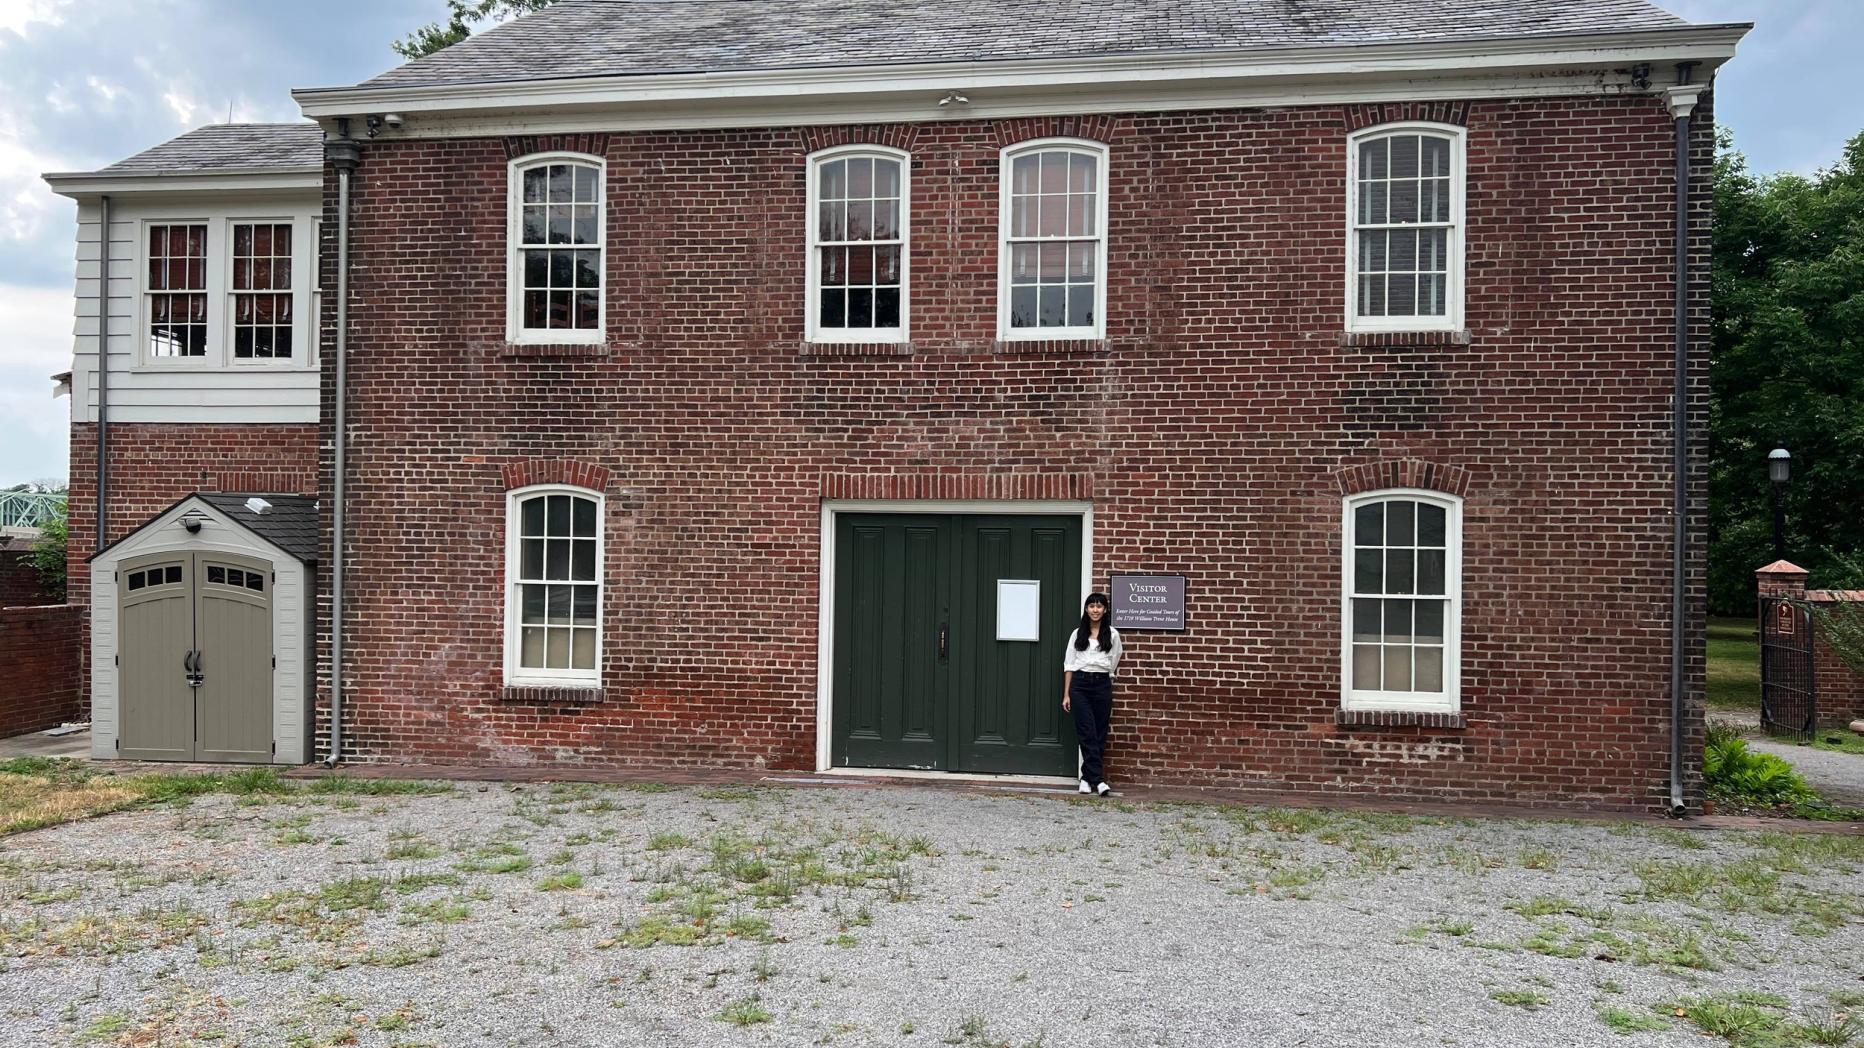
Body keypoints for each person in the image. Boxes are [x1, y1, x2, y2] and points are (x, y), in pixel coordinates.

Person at [1061, 591, 1122, 796]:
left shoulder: (1112, 634)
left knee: (1099, 733)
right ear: (1086, 609)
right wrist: (1066, 694)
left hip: (1102, 684)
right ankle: (1099, 780)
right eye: (1091, 606)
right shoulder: (1077, 634)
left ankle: (1087, 778)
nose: (1095, 610)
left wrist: (1105, 676)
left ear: (1105, 610)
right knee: (1086, 732)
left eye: (1099, 606)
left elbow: (1114, 660)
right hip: (1080, 685)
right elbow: (1069, 664)